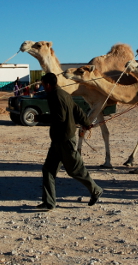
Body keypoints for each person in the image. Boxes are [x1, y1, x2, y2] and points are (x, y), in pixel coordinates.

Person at [33, 73, 102, 211]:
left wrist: (41, 118)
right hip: (58, 141)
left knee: (75, 170)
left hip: (65, 140)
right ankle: (49, 202)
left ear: (47, 84)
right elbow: (77, 110)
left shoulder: (56, 96)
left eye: (43, 84)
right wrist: (86, 122)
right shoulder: (63, 94)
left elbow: (59, 118)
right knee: (48, 170)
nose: (42, 86)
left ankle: (96, 190)